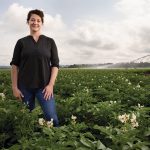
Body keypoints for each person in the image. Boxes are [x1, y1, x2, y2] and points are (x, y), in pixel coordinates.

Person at [10, 9, 59, 127]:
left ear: (42, 23)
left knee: (52, 118)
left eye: (38, 20)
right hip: (24, 88)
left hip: (44, 88)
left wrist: (50, 85)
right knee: (26, 118)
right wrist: (15, 87)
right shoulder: (21, 42)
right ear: (28, 22)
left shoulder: (50, 42)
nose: (35, 23)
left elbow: (55, 65)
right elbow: (14, 65)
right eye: (32, 20)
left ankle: (55, 142)